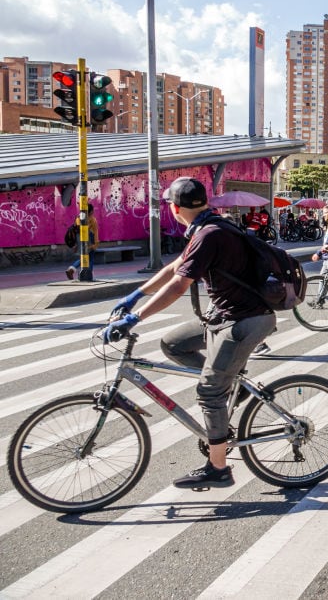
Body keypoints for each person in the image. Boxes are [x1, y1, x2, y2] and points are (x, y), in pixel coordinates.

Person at [103, 177, 276, 489]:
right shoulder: (208, 228)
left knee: (208, 392)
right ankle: (227, 380)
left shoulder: (210, 234)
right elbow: (175, 269)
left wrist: (134, 318)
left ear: (175, 207)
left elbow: (178, 286)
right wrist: (135, 294)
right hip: (226, 316)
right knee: (173, 344)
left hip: (244, 321)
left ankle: (218, 468)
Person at [66, 203, 99, 280]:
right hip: (90, 240)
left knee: (84, 256)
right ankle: (88, 275)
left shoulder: (78, 219)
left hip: (80, 240)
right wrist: (96, 244)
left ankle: (72, 269)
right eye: (92, 210)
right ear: (90, 212)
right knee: (90, 258)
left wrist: (75, 245)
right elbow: (95, 232)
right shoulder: (93, 220)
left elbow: (76, 232)